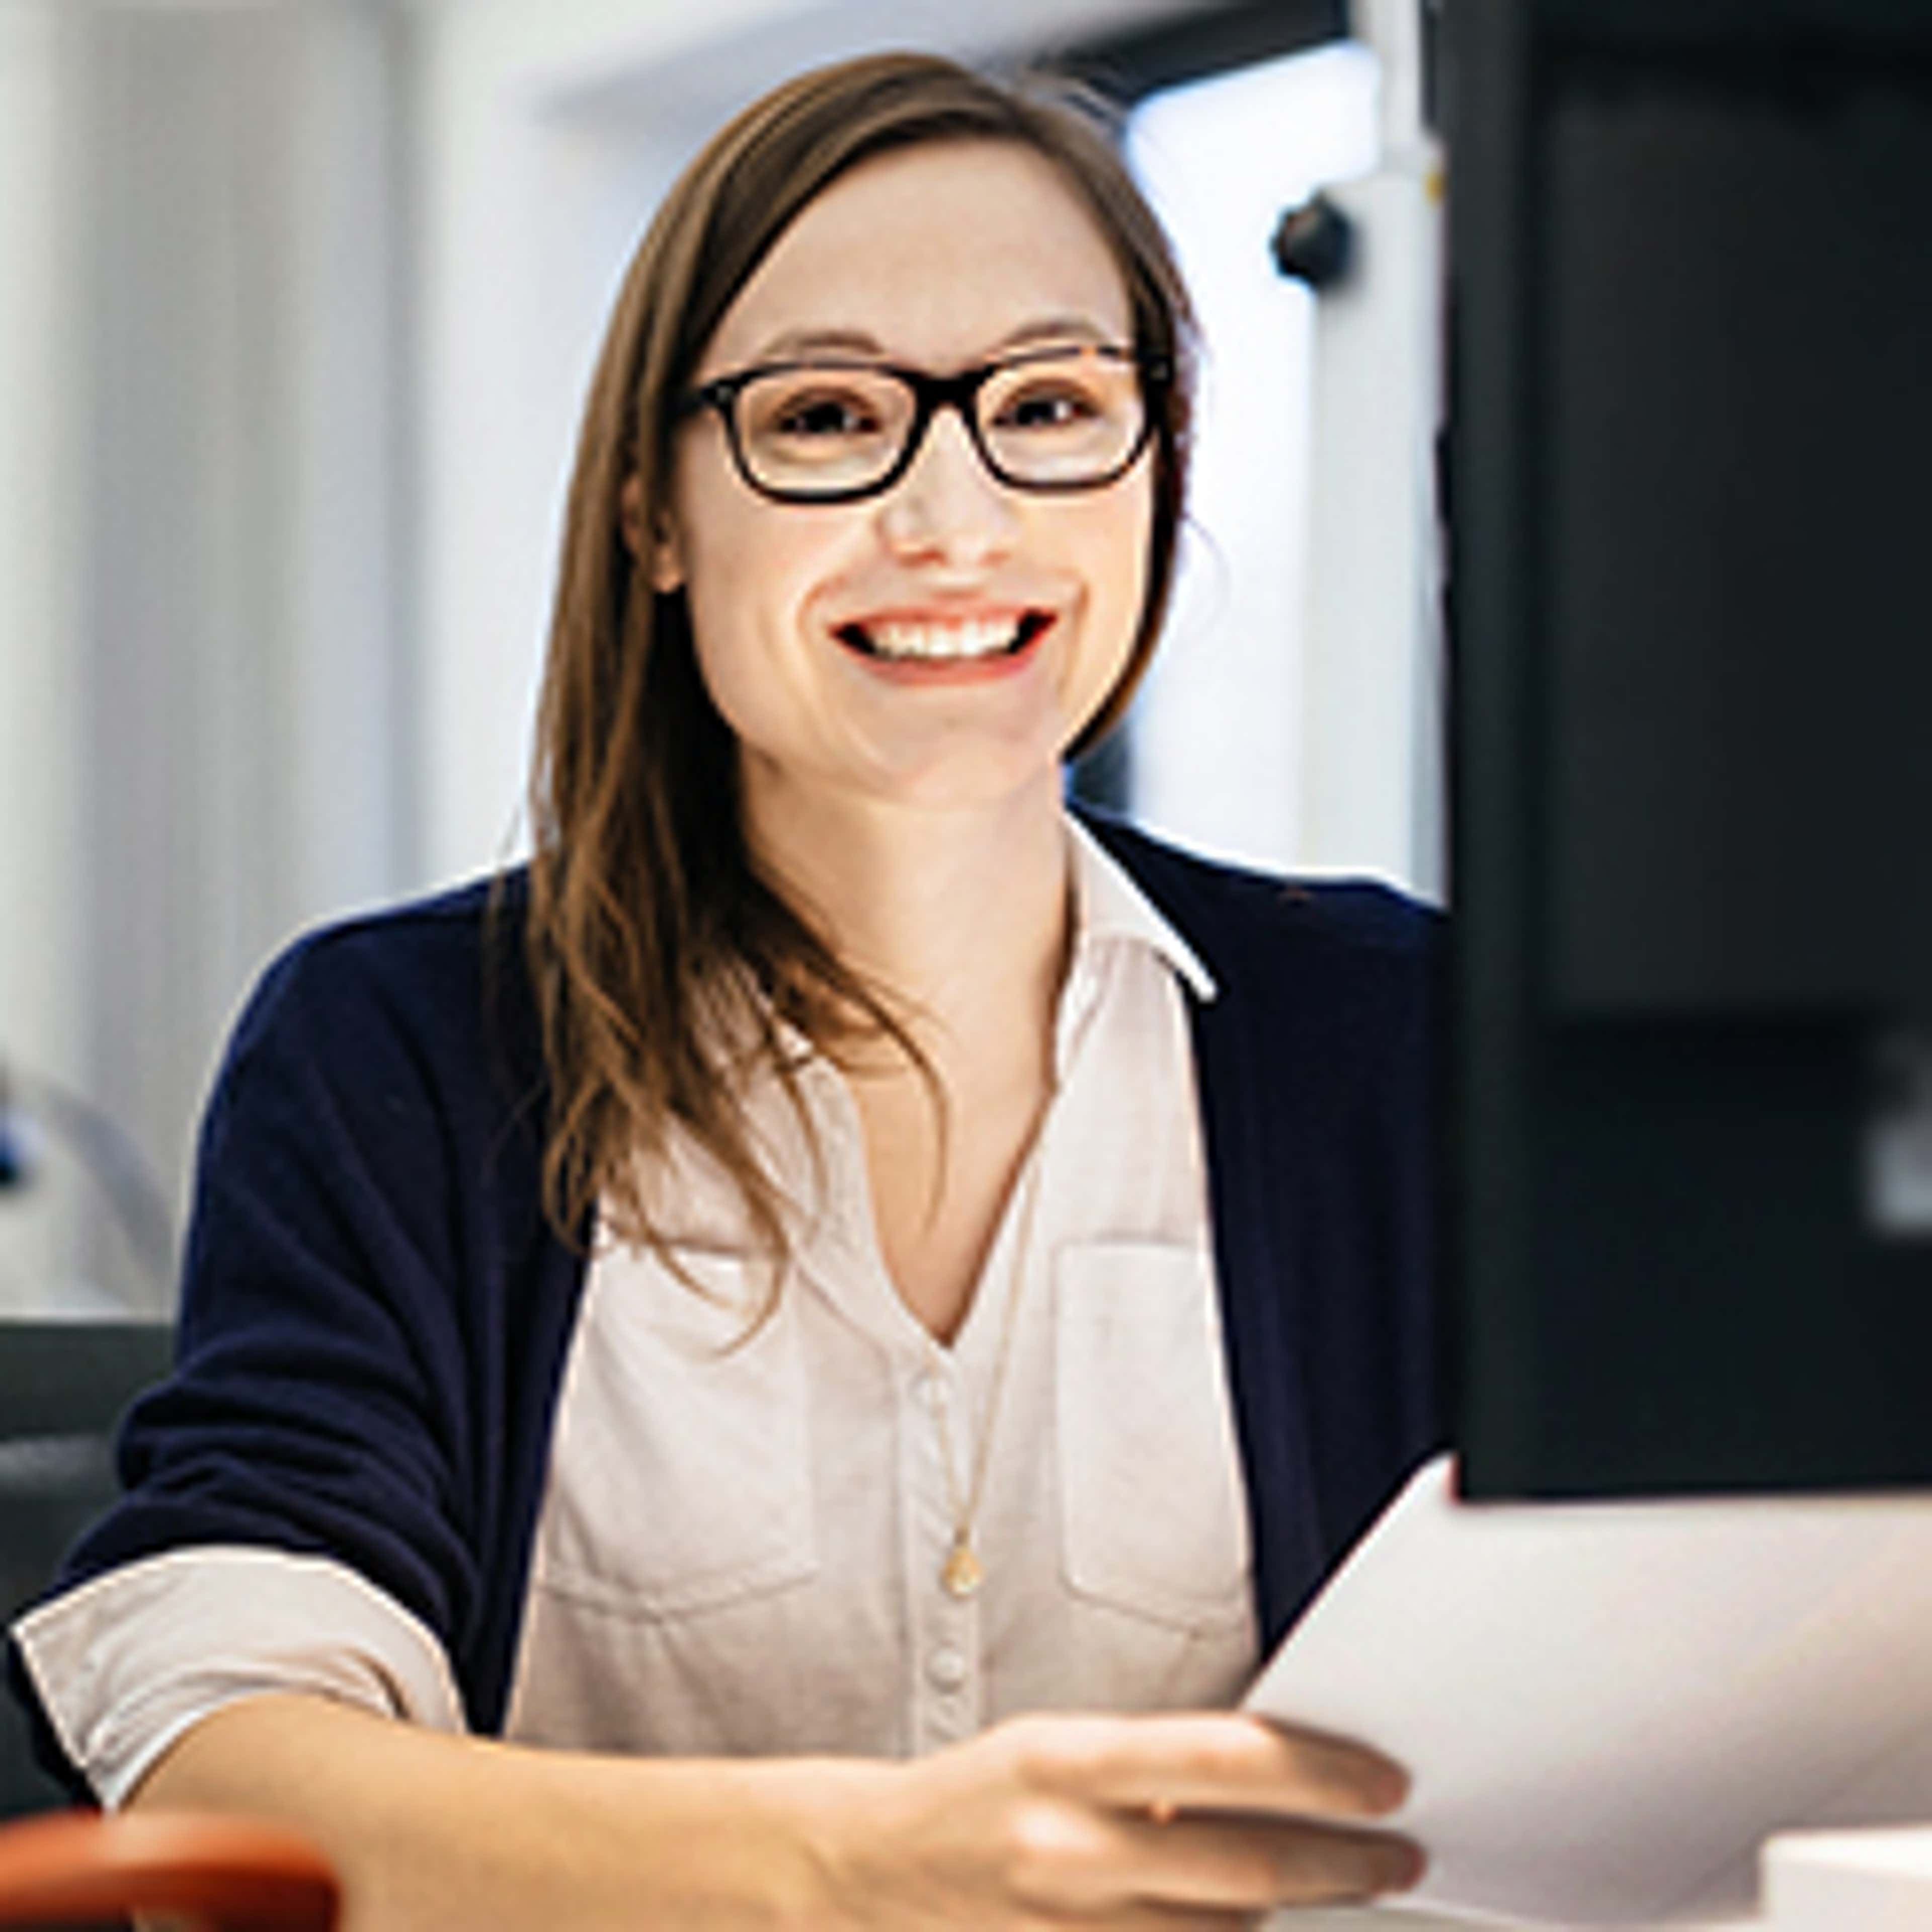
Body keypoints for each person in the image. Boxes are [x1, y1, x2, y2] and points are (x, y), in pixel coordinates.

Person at [9, 50, 1439, 1930]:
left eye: (1051, 405)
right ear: (654, 518)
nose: (956, 515)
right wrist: (864, 1865)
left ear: (1155, 473)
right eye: (832, 417)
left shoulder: (1398, 1039)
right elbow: (224, 1762)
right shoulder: (402, 1049)